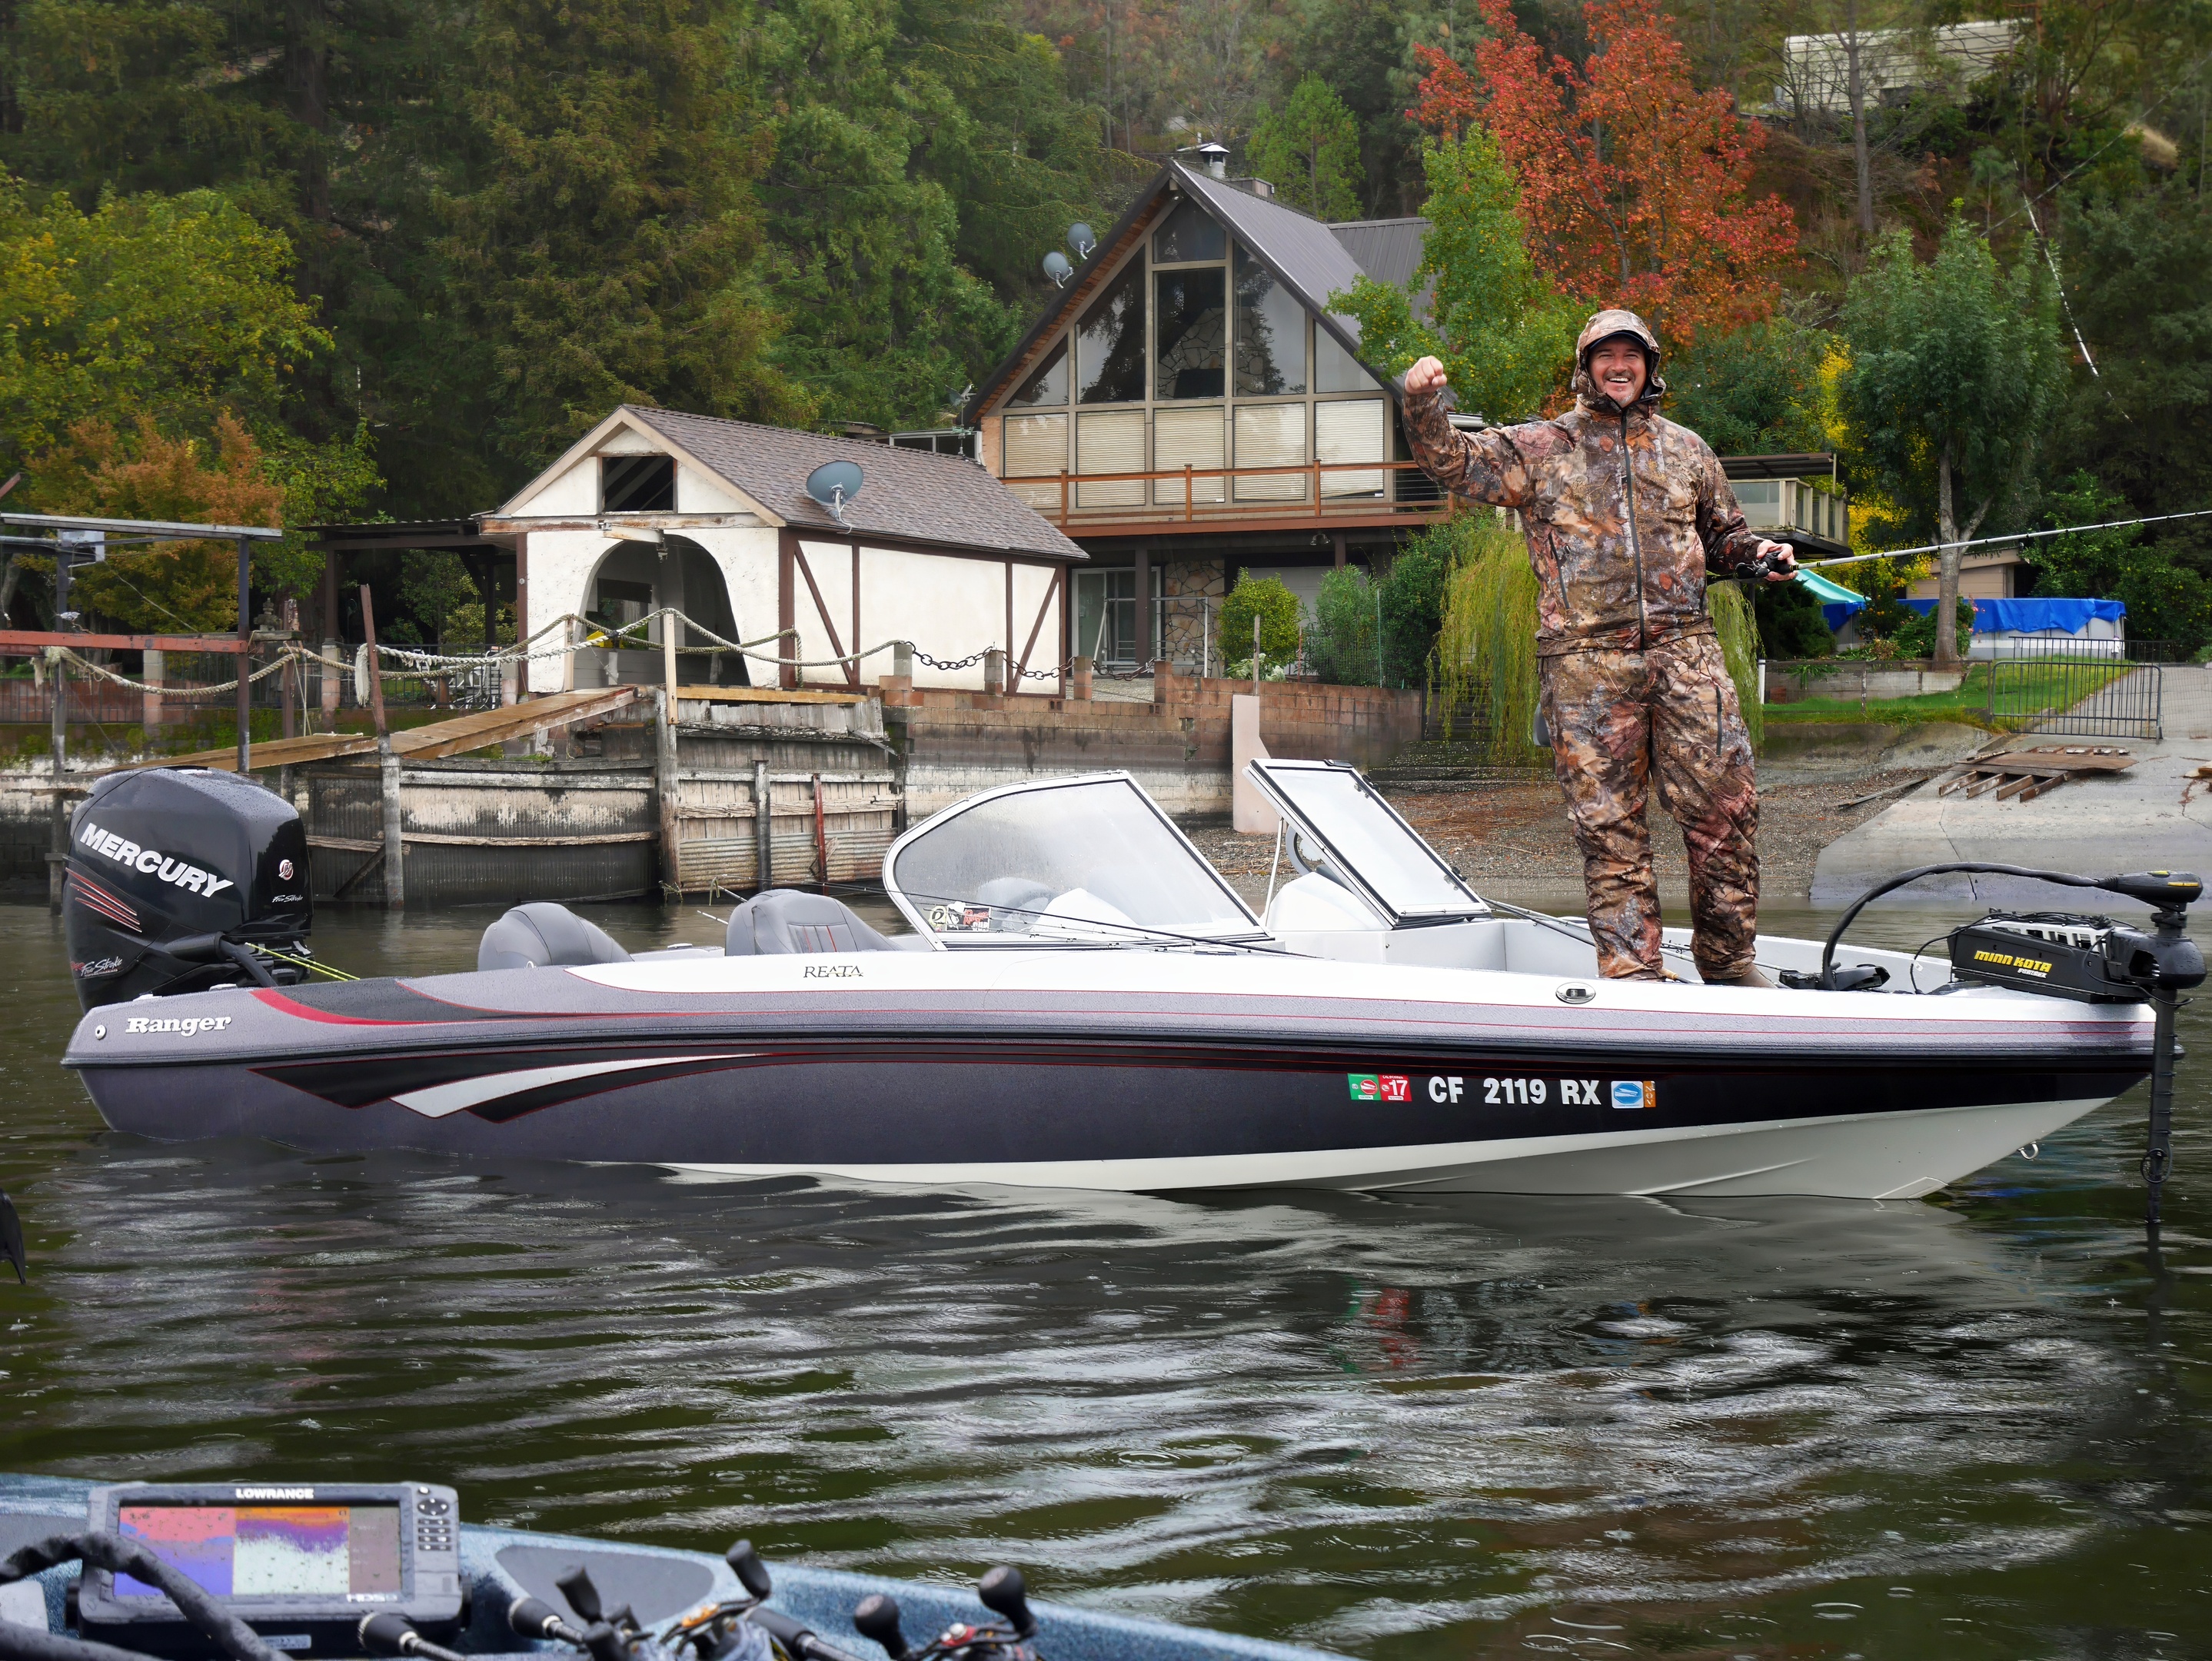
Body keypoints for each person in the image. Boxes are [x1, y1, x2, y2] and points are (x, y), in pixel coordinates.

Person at [1400, 310, 1796, 986]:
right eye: (1605, 354)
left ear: (1649, 364)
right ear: (1584, 367)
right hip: (1585, 664)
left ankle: (1729, 966)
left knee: (1726, 812)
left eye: (1631, 354)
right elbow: (1450, 462)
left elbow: (1721, 536)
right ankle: (1633, 973)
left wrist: (1757, 554)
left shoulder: (1687, 450)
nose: (1620, 364)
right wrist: (1421, 402)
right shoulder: (1539, 445)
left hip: (1686, 655)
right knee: (1610, 828)